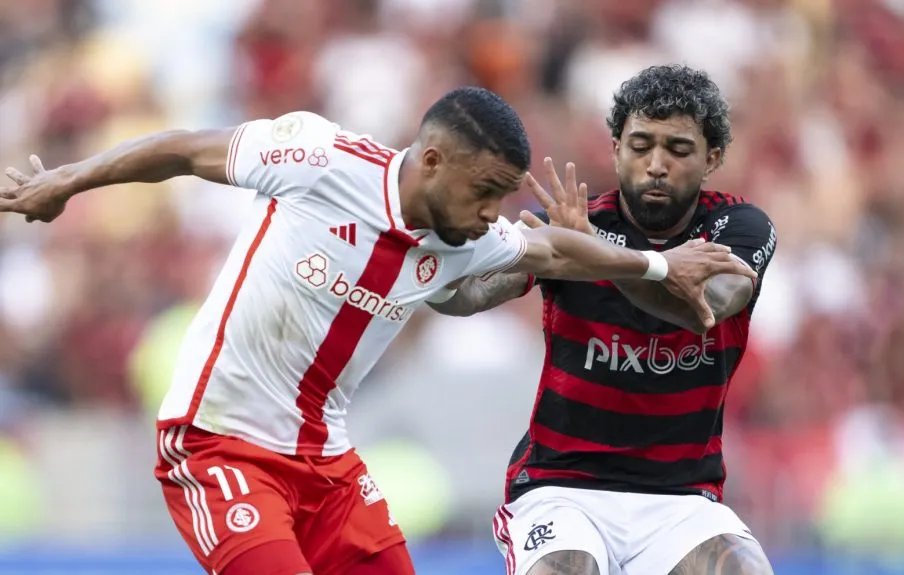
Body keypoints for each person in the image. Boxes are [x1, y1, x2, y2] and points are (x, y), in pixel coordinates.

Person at [0, 86, 755, 575]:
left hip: (325, 463)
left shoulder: (468, 238)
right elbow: (184, 148)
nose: (495, 213)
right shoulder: (316, 158)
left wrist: (660, 270)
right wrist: (64, 181)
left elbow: (555, 247)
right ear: (432, 162)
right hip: (219, 442)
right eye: (487, 191)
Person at [429, 66, 778, 575]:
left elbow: (704, 305)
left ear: (712, 159)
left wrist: (591, 251)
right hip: (562, 488)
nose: (656, 165)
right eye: (640, 146)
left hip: (679, 499)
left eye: (678, 150)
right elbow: (464, 298)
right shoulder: (570, 223)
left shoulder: (737, 227)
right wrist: (441, 243)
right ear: (616, 148)